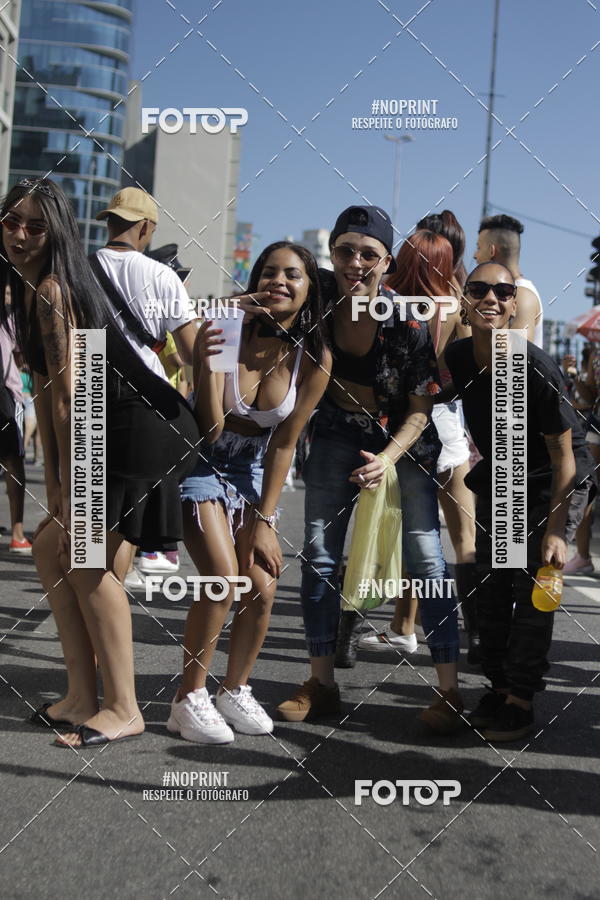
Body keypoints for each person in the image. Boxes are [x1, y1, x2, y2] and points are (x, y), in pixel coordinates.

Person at [0, 177, 201, 747]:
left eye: (35, 225)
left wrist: (63, 491)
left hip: (141, 426)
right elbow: (45, 389)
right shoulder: (29, 287)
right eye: (11, 221)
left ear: (57, 230)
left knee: (85, 558)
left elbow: (68, 398)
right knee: (49, 548)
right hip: (103, 422)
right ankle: (81, 695)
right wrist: (60, 490)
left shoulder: (56, 290)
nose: (20, 234)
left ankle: (122, 707)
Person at [278, 205, 464, 734]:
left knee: (427, 558)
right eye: (345, 251)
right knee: (318, 552)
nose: (355, 263)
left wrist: (386, 459)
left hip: (403, 440)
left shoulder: (405, 317)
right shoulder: (314, 301)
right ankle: (321, 683)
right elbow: (263, 302)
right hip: (337, 430)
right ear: (331, 253)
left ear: (386, 262)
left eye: (368, 254)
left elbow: (422, 405)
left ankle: (449, 691)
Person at [168, 241, 331, 743]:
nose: (278, 281)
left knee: (261, 587)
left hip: (254, 469)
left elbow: (284, 445)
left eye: (292, 275)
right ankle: (187, 699)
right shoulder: (222, 330)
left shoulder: (314, 358)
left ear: (309, 290)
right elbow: (211, 429)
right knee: (222, 577)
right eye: (269, 271)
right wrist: (218, 342)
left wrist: (264, 522)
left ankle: (233, 688)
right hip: (200, 457)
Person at [446, 262, 596, 740]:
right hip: (504, 477)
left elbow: (565, 454)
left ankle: (521, 699)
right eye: (479, 289)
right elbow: (419, 394)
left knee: (532, 589)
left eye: (502, 291)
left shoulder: (531, 364)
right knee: (487, 584)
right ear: (465, 300)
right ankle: (497, 684)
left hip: (551, 478)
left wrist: (557, 530)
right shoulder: (460, 357)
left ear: (514, 305)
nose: (490, 298)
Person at [360, 229, 479, 662]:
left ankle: (403, 626)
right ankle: (478, 634)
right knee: (461, 537)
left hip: (408, 424)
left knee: (413, 533)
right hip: (450, 425)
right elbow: (466, 369)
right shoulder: (457, 308)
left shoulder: (389, 308)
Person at [474, 214, 543, 347]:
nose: (475, 255)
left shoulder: (522, 295)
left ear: (491, 251)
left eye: (479, 248)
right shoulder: (514, 292)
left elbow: (515, 362)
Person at [562, 345, 600, 575]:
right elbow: (591, 395)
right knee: (587, 487)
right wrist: (574, 375)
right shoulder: (596, 355)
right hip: (596, 426)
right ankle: (583, 556)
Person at [0, 317, 31, 552]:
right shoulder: (9, 316)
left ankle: (18, 534)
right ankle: (17, 533)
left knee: (12, 459)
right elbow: (21, 355)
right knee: (13, 459)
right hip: (5, 394)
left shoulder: (9, 317)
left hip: (7, 394)